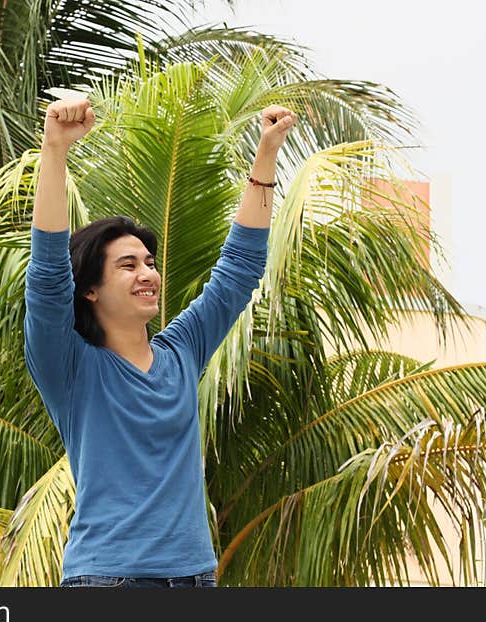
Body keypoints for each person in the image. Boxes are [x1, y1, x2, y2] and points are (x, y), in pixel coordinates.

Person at [24, 96, 297, 587]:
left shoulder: (182, 352)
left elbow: (239, 270)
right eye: (127, 266)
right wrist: (54, 150)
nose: (147, 272)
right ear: (88, 288)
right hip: (108, 582)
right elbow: (46, 277)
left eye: (149, 262)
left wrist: (267, 152)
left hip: (194, 578)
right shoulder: (69, 368)